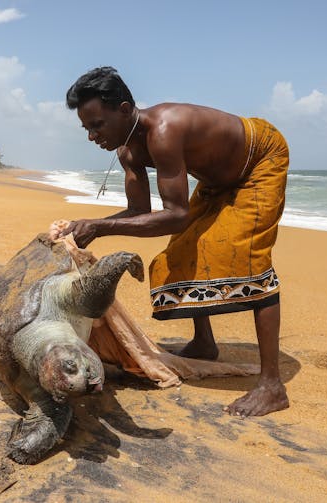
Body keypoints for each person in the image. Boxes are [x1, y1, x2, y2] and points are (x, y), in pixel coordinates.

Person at [63, 66, 290, 416]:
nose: (92, 136)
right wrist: (86, 226)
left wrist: (100, 227)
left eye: (97, 125)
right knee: (180, 252)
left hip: (259, 160)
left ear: (124, 110)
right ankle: (204, 343)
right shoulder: (127, 151)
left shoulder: (164, 130)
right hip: (217, 182)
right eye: (86, 129)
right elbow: (138, 210)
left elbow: (176, 214)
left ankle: (272, 386)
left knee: (247, 258)